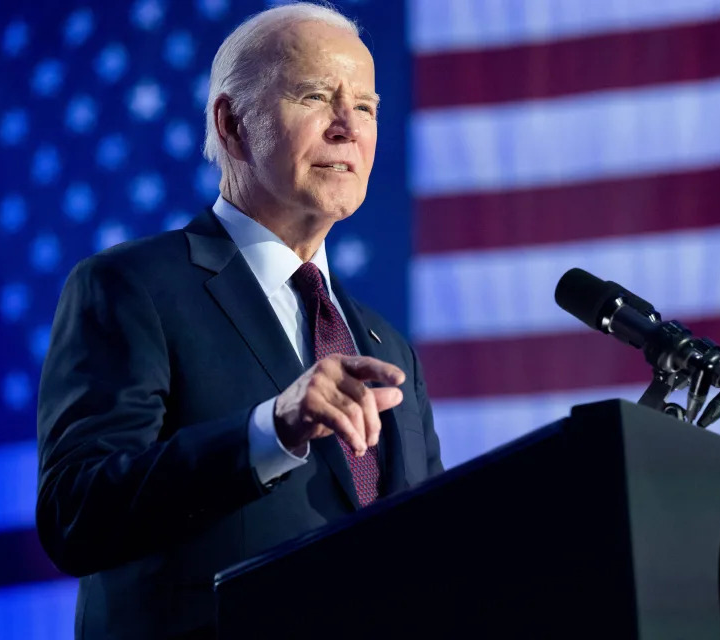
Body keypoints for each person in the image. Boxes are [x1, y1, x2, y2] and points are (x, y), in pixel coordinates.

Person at [35, 3, 443, 637]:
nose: (348, 127)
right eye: (316, 95)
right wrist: (270, 429)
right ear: (232, 125)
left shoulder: (387, 345)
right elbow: (77, 514)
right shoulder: (132, 287)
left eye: (365, 106)